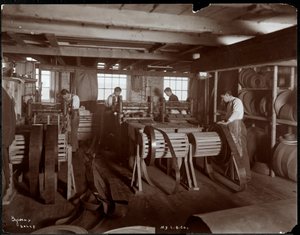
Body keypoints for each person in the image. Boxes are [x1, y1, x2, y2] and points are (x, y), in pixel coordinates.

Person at [217, 91, 251, 182]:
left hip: (238, 127)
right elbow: (229, 115)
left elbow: (236, 114)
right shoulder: (230, 103)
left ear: (228, 95)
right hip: (232, 126)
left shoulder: (237, 101)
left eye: (223, 97)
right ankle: (235, 173)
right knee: (234, 149)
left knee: (241, 150)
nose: (222, 99)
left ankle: (245, 175)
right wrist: (224, 120)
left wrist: (227, 122)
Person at [61, 89, 80, 154]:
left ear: (67, 93)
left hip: (75, 115)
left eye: (64, 96)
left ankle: (73, 149)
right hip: (72, 115)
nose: (64, 98)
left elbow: (73, 109)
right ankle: (76, 147)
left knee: (73, 132)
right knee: (72, 132)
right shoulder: (69, 98)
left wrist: (68, 105)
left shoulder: (75, 97)